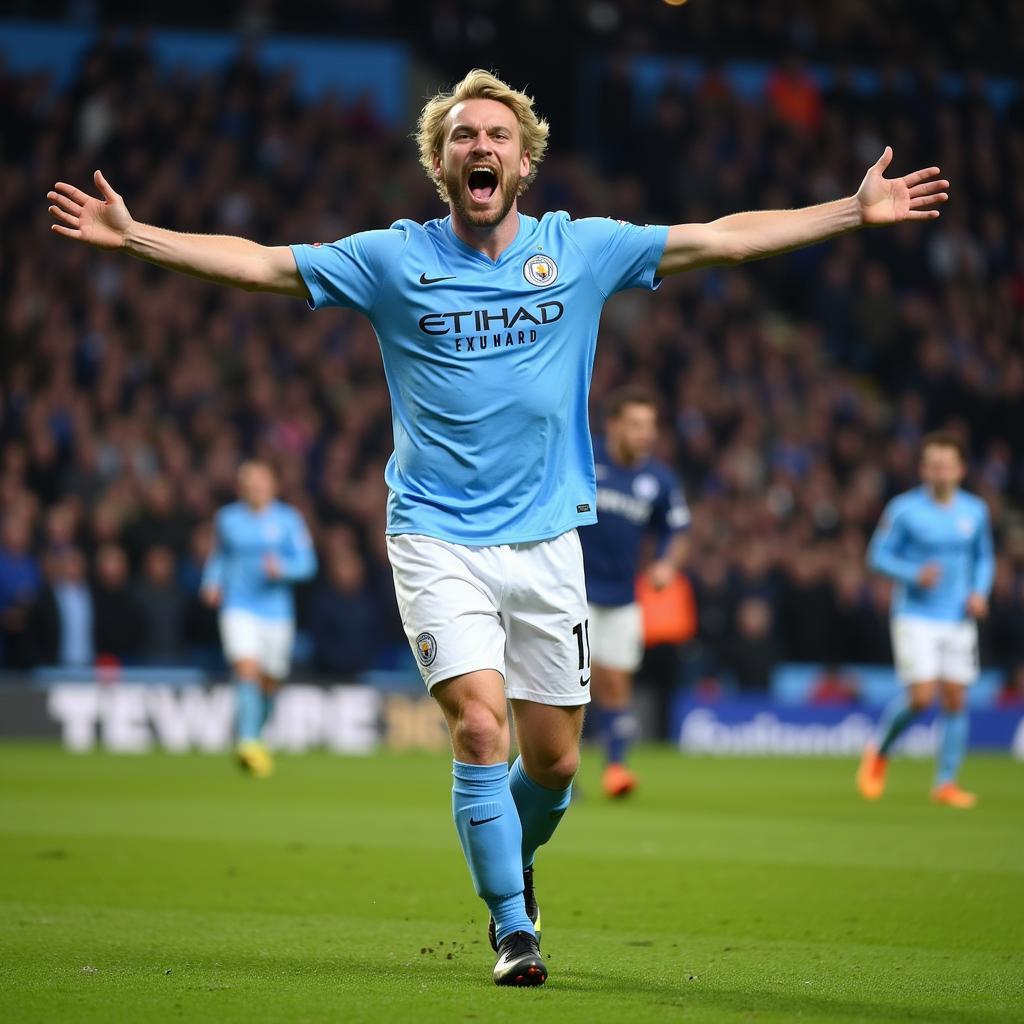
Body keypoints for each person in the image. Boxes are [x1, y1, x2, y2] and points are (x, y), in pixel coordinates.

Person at [47, 67, 949, 986]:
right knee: (482, 731)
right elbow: (265, 263)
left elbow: (720, 240)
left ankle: (511, 851)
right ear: (441, 162)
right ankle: (514, 929)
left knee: (555, 763)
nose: (481, 148)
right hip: (435, 538)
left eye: (498, 137)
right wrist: (136, 237)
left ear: (526, 161)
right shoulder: (392, 258)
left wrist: (848, 210)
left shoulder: (582, 249)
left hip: (550, 541)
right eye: (463, 137)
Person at [859, 433, 994, 808]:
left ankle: (946, 783)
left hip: (958, 617)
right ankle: (880, 750)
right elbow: (877, 557)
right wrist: (912, 573)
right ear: (923, 469)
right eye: (934, 465)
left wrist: (980, 591)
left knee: (955, 698)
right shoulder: (904, 510)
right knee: (921, 698)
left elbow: (984, 557)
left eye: (947, 465)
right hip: (915, 614)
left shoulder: (975, 511)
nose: (941, 472)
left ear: (961, 469)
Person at [579, 386, 689, 797]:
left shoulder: (658, 479)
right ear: (614, 425)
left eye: (651, 426)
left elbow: (678, 529)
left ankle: (615, 769)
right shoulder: (584, 458)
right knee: (570, 685)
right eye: (636, 424)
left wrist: (666, 563)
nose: (645, 433)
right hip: (573, 591)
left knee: (615, 683)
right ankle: (558, 774)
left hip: (623, 596)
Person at [200, 461, 317, 778]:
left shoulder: (289, 520)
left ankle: (255, 735)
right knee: (246, 668)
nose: (255, 489)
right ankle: (248, 741)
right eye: (249, 483)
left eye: (260, 483)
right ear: (241, 488)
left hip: (276, 612)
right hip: (238, 607)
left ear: (272, 486)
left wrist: (284, 570)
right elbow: (220, 555)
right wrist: (211, 582)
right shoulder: (227, 519)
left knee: (270, 681)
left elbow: (308, 564)